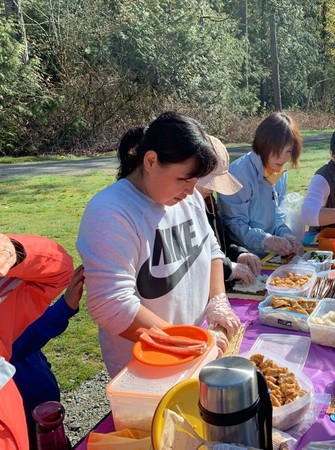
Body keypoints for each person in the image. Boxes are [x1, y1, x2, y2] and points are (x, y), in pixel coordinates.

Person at [76, 112, 241, 377]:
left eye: (195, 182)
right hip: (149, 365)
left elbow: (210, 249)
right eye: (184, 180)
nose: (190, 191)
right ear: (151, 161)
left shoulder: (188, 197)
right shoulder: (110, 211)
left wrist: (218, 301)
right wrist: (184, 343)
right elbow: (112, 306)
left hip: (196, 347)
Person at [0, 234, 74, 450]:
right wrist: (65, 308)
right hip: (24, 410)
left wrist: (15, 250)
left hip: (38, 406)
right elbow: (27, 338)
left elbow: (58, 269)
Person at [11, 265, 84, 450]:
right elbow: (16, 343)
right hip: (18, 422)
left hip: (44, 414)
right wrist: (64, 307)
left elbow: (25, 332)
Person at [218, 112, 305, 257]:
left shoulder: (280, 173)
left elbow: (277, 213)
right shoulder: (238, 173)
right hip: (244, 256)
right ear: (263, 144)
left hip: (272, 254)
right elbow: (233, 223)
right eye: (277, 151)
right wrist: (266, 240)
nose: (282, 158)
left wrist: (287, 235)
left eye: (288, 151)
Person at [196, 135, 262, 288]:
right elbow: (198, 256)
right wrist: (228, 268)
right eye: (210, 182)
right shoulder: (183, 208)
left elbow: (221, 241)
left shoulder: (208, 200)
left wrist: (239, 253)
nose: (213, 189)